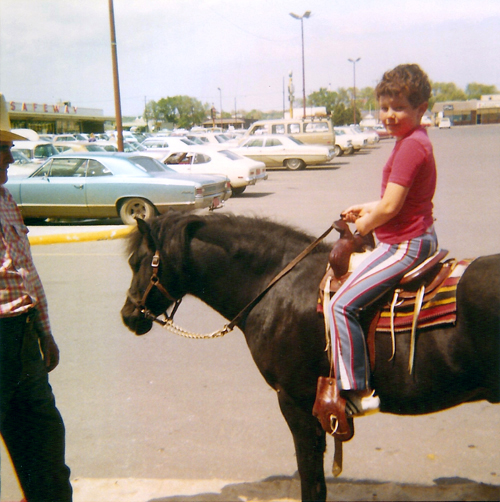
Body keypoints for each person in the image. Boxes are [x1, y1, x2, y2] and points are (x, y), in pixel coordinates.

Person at [328, 64, 438, 416]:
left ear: (421, 109)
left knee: (339, 305)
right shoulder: (411, 141)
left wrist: (357, 231)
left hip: (404, 244)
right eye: (385, 107)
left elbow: (391, 207)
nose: (389, 115)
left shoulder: (410, 147)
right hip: (412, 234)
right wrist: (364, 209)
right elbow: (395, 200)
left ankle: (355, 391)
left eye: (399, 107)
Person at [0, 93, 72, 501]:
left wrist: (44, 334)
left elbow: (25, 276)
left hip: (23, 340)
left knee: (45, 452)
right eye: (2, 148)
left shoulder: (6, 200)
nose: (10, 157)